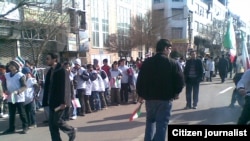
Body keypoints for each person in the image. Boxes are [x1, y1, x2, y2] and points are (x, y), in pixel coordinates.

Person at [136, 39, 185, 141]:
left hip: (149, 99)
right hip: (165, 99)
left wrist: (140, 94)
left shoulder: (147, 62)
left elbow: (140, 80)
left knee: (150, 122)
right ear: (165, 49)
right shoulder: (172, 63)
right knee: (161, 125)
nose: (170, 51)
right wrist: (176, 92)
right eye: (169, 49)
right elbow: (180, 80)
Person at [42, 53, 76, 141]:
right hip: (51, 101)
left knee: (57, 121)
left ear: (54, 59)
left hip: (60, 102)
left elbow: (66, 87)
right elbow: (48, 87)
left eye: (48, 58)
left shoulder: (62, 70)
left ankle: (71, 130)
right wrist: (45, 100)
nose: (46, 60)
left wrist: (64, 102)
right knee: (52, 124)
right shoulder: (50, 71)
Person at [2, 60, 29, 134]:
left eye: (12, 65)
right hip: (11, 97)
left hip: (19, 98)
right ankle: (11, 128)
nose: (11, 66)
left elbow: (24, 86)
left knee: (22, 113)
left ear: (16, 66)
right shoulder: (7, 75)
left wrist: (17, 91)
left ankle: (25, 127)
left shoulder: (20, 75)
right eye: (10, 65)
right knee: (12, 113)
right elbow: (3, 84)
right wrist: (5, 90)